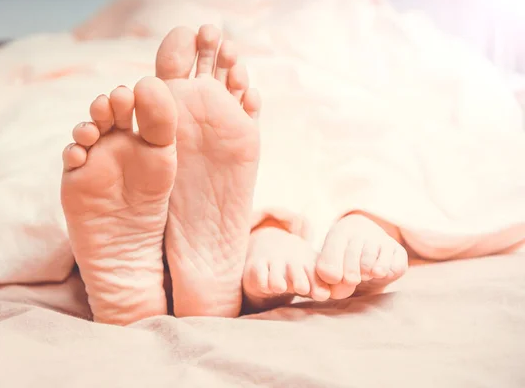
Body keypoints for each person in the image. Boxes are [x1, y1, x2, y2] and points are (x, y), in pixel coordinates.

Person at [60, 25, 408, 326]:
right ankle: (242, 251)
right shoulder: (360, 25)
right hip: (333, 69)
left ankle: (155, 269)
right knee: (335, 140)